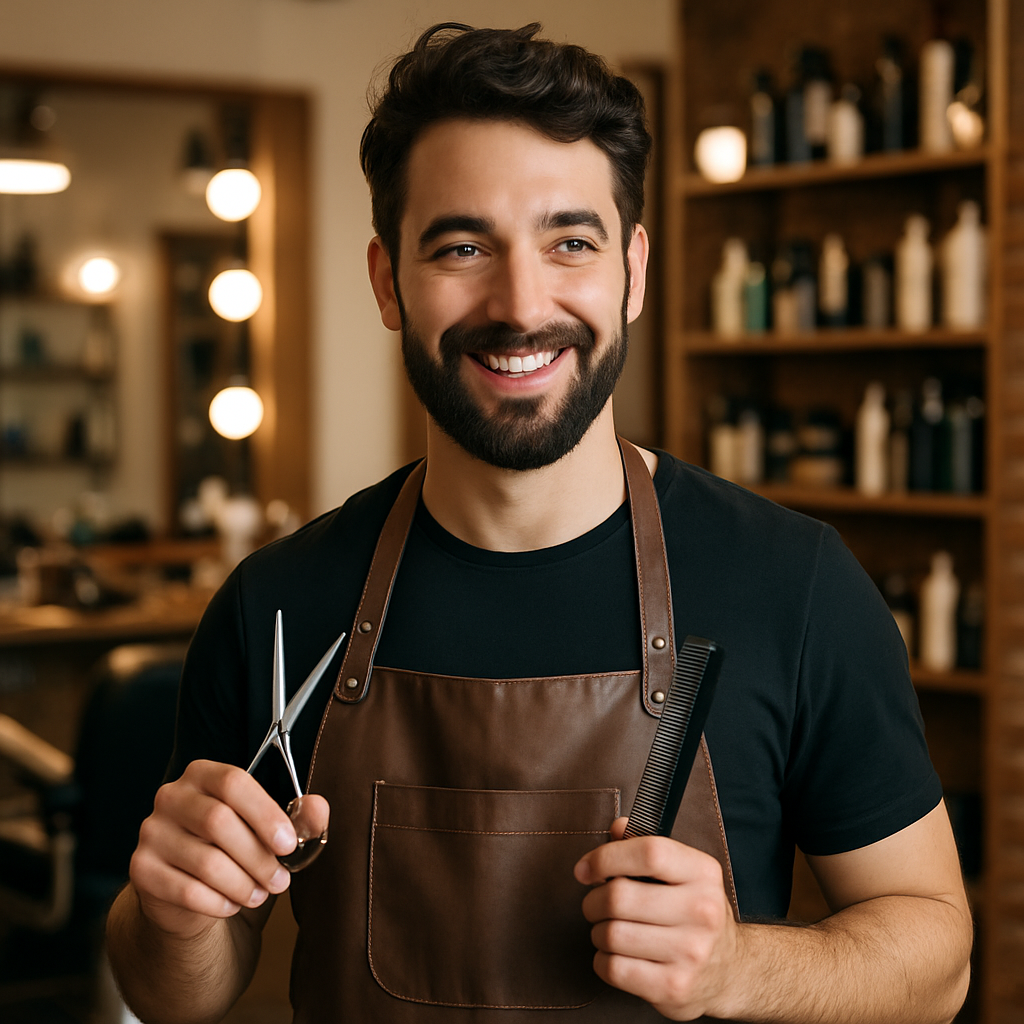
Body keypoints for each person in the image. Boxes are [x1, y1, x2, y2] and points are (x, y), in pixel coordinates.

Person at [107, 22, 972, 1024]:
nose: (521, 304)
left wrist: (738, 966)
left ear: (633, 272)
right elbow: (173, 993)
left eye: (569, 241)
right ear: (389, 281)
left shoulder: (795, 584)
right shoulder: (278, 604)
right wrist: (168, 916)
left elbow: (936, 957)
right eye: (463, 245)